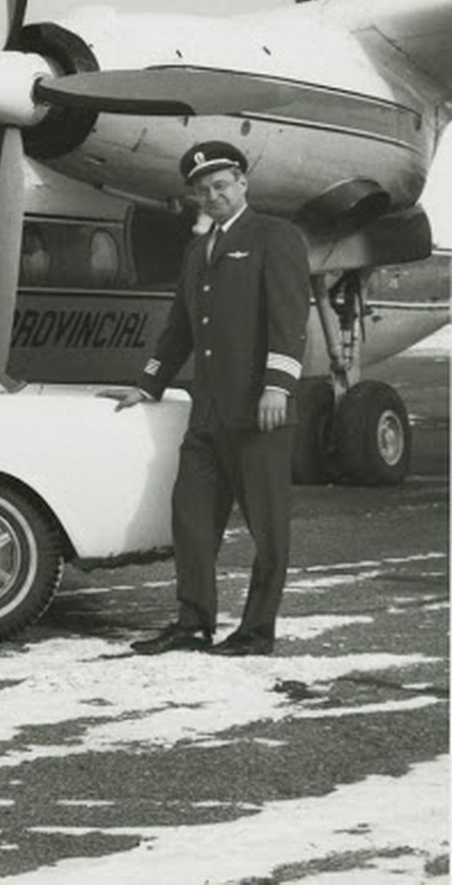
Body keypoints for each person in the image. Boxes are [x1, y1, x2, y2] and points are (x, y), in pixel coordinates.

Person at [114, 140, 310, 657]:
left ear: (243, 183)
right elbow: (180, 328)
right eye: (202, 191)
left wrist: (278, 385)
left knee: (268, 529)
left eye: (220, 185)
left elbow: (289, 318)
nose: (212, 196)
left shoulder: (274, 236)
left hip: (259, 411)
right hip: (208, 416)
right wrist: (149, 383)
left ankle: (256, 632)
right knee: (191, 520)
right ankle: (192, 624)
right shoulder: (198, 250)